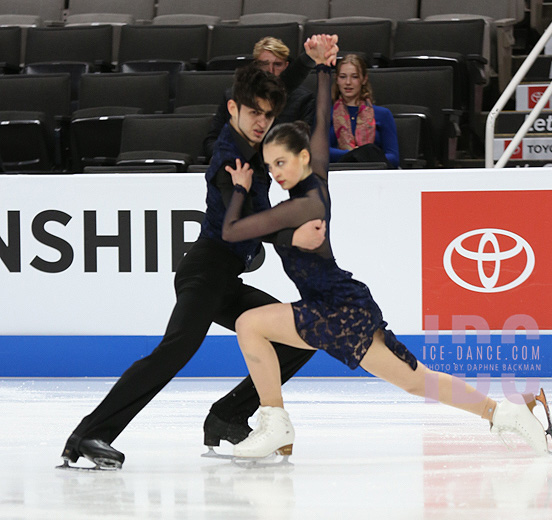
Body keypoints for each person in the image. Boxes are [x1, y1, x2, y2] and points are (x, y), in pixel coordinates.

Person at [220, 52, 552, 459]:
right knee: (417, 381)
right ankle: (506, 413)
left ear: (303, 157)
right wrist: (324, 69)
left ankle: (275, 421)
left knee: (249, 324)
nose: (275, 172)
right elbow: (323, 121)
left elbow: (233, 231)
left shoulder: (301, 207)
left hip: (334, 309)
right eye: (270, 165)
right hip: (343, 306)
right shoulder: (316, 180)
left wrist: (240, 188)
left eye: (281, 162)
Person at [57, 35, 340, 471]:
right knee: (174, 351)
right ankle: (90, 433)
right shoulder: (231, 158)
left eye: (269, 114)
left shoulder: (256, 131)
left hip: (226, 278)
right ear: (233, 110)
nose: (264, 121)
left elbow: (276, 93)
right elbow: (249, 219)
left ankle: (228, 415)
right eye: (255, 114)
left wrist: (308, 58)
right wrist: (290, 238)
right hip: (206, 270)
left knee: (308, 333)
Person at [203, 36, 317, 161]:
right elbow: (211, 142)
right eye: (264, 64)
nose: (271, 70)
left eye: (277, 64)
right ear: (255, 65)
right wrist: (234, 154)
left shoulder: (304, 99)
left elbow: (306, 144)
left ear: (286, 66)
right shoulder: (233, 95)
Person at [329, 54, 400, 169]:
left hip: (376, 177)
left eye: (354, 77)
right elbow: (321, 153)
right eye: (343, 77)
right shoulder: (326, 115)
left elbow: (393, 157)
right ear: (336, 79)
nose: (348, 82)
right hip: (338, 175)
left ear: (364, 79)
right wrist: (357, 154)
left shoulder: (383, 115)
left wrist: (364, 156)